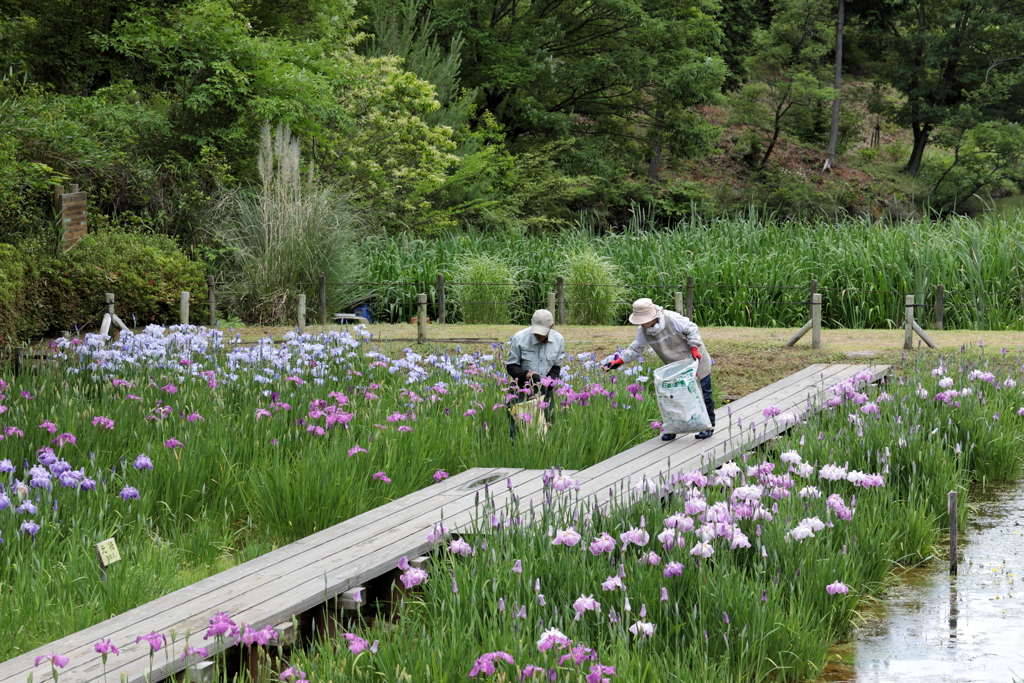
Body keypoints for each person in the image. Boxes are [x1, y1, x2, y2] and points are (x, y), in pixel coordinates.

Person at [602, 298, 715, 440]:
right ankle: (673, 428)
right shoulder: (644, 330)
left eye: (643, 320)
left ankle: (708, 426)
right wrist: (619, 361)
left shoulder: (671, 318)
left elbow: (692, 329)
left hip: (695, 360)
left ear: (653, 316)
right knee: (672, 397)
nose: (641, 323)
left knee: (704, 394)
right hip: (673, 365)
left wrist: (694, 348)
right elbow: (637, 347)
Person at [506, 309, 565, 437]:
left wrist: (551, 382)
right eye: (536, 331)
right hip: (522, 391)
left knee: (546, 431)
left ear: (551, 327)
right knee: (518, 432)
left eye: (543, 333)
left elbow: (556, 366)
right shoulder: (519, 338)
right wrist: (526, 375)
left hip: (545, 392)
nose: (539, 336)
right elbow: (511, 366)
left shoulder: (558, 340)